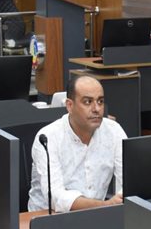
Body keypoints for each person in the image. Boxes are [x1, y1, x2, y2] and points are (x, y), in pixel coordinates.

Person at [29, 75, 125, 213]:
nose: (96, 108)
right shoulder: (48, 138)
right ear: (70, 105)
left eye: (100, 101)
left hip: (97, 214)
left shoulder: (114, 131)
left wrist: (120, 198)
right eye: (87, 102)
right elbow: (55, 197)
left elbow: (128, 179)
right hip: (49, 217)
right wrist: (106, 205)